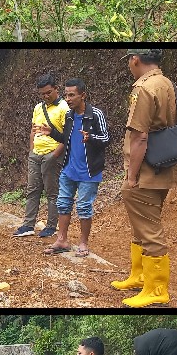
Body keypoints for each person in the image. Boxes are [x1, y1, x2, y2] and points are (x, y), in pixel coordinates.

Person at [112, 49, 177, 307]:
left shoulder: (143, 88)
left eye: (129, 62)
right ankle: (140, 276)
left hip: (145, 169)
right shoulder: (170, 86)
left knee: (149, 229)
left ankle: (156, 290)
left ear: (135, 59)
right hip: (165, 165)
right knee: (142, 224)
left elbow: (140, 136)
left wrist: (131, 175)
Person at [41, 78, 111, 258]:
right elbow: (67, 139)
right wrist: (52, 133)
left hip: (88, 171)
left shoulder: (95, 114)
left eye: (72, 95)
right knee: (63, 204)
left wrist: (91, 137)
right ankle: (62, 239)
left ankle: (83, 243)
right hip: (69, 169)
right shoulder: (69, 115)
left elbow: (106, 139)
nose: (68, 99)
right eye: (66, 95)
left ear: (83, 95)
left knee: (84, 207)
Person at [13, 75, 70, 239]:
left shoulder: (64, 109)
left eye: (48, 93)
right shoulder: (38, 107)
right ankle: (28, 224)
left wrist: (55, 155)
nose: (45, 96)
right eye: (42, 94)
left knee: (52, 192)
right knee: (32, 190)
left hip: (51, 154)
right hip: (36, 154)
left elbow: (67, 137)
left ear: (56, 89)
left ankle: (52, 226)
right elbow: (33, 130)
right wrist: (31, 150)